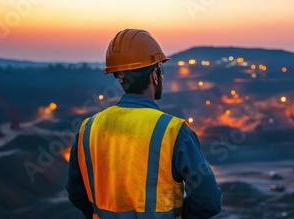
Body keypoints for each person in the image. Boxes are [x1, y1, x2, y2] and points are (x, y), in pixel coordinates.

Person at [66, 29, 222, 219]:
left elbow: (76, 193)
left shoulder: (87, 129)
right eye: (160, 70)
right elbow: (209, 201)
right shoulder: (173, 131)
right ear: (154, 76)